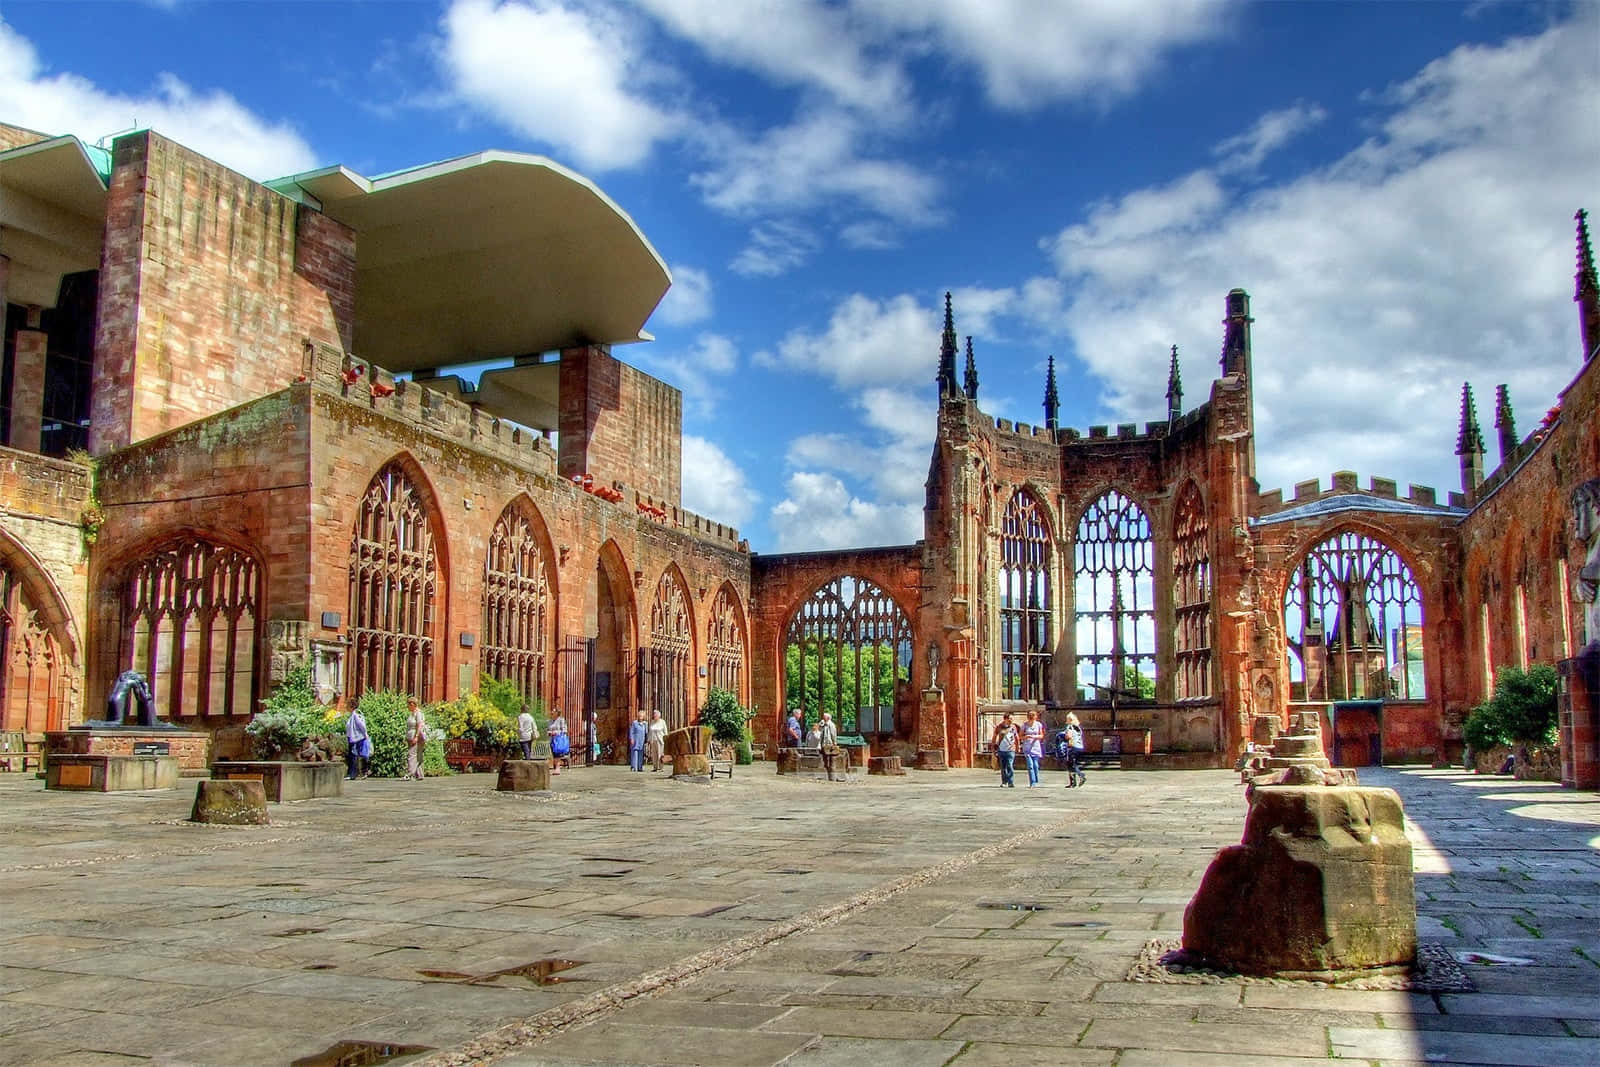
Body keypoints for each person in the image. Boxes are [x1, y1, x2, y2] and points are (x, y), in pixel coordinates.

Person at [992, 712, 1019, 788]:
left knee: (1010, 765)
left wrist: (1017, 746)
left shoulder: (1013, 727)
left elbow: (1016, 737)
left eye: (1012, 719)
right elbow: (994, 737)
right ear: (1005, 719)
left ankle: (1011, 782)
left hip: (1011, 749)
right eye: (1010, 719)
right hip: (1001, 749)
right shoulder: (999, 727)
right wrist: (993, 747)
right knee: (1003, 767)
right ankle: (1004, 782)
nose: (1011, 720)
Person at [1021, 709, 1045, 787]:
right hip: (1027, 748)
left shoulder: (1038, 725)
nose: (1031, 717)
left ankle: (1036, 778)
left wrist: (1034, 736)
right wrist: (1025, 737)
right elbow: (1020, 736)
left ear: (1036, 716)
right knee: (1030, 765)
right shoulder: (1024, 725)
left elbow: (1041, 735)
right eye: (1029, 715)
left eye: (1033, 715)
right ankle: (1032, 782)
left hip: (1035, 747)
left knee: (1035, 765)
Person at [405, 697, 428, 780]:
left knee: (411, 755)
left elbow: (419, 725)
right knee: (418, 755)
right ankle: (420, 774)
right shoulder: (412, 713)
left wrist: (416, 737)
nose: (407, 707)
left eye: (408, 705)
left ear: (412, 704)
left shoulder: (418, 713)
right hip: (411, 737)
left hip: (416, 738)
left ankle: (410, 774)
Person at [345, 705, 370, 780]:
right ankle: (355, 773)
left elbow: (362, 725)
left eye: (348, 705)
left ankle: (355, 773)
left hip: (357, 738)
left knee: (356, 755)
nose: (346, 707)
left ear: (351, 706)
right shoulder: (353, 715)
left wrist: (365, 734)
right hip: (353, 738)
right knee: (354, 755)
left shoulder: (356, 715)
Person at [1065, 712, 1086, 788]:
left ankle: (1081, 776)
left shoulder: (1070, 727)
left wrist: (1065, 736)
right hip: (1080, 747)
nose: (1066, 720)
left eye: (1067, 719)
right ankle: (1073, 782)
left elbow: (1069, 737)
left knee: (1071, 764)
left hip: (1073, 747)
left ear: (1070, 719)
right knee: (1073, 764)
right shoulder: (1078, 728)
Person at [818, 711, 839, 781]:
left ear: (828, 718)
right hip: (824, 744)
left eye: (824, 716)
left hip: (829, 744)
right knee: (825, 760)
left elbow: (833, 734)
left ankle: (831, 776)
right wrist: (820, 725)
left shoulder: (831, 725)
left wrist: (834, 743)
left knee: (830, 760)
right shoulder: (824, 724)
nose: (823, 718)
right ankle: (826, 775)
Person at [548, 709, 569, 774]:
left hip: (558, 739)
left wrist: (556, 733)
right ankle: (556, 768)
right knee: (554, 754)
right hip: (552, 740)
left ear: (557, 713)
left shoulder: (561, 720)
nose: (552, 712)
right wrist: (549, 732)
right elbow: (548, 729)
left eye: (553, 711)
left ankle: (557, 768)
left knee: (557, 754)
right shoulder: (550, 721)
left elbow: (564, 730)